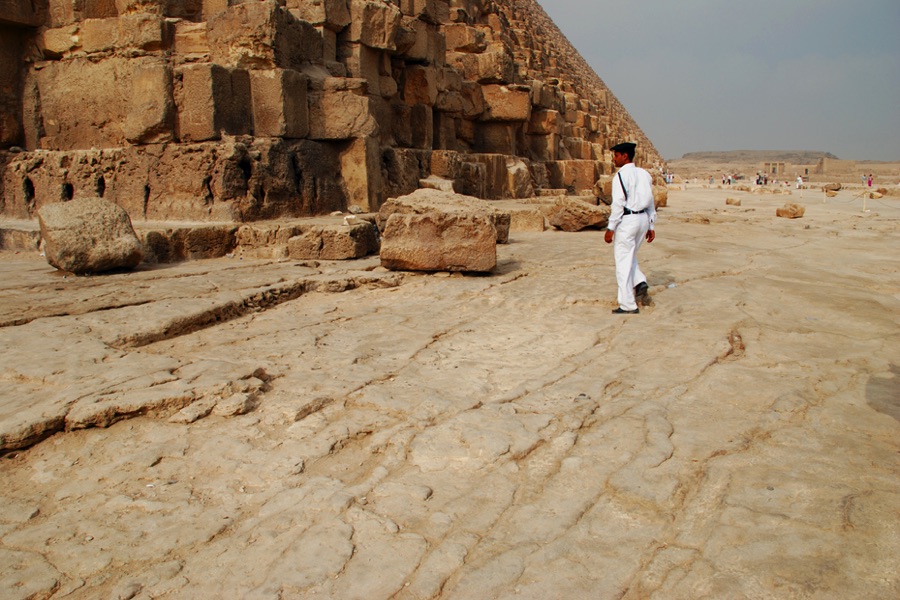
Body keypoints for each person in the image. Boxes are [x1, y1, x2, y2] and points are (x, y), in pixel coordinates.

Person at [604, 142, 656, 314]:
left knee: (623, 262)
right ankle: (640, 282)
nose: (614, 159)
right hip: (642, 220)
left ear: (625, 156)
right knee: (630, 255)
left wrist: (611, 228)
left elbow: (618, 204)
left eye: (616, 155)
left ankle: (627, 305)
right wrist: (651, 225)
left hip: (627, 221)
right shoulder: (644, 174)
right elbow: (650, 201)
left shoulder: (620, 176)